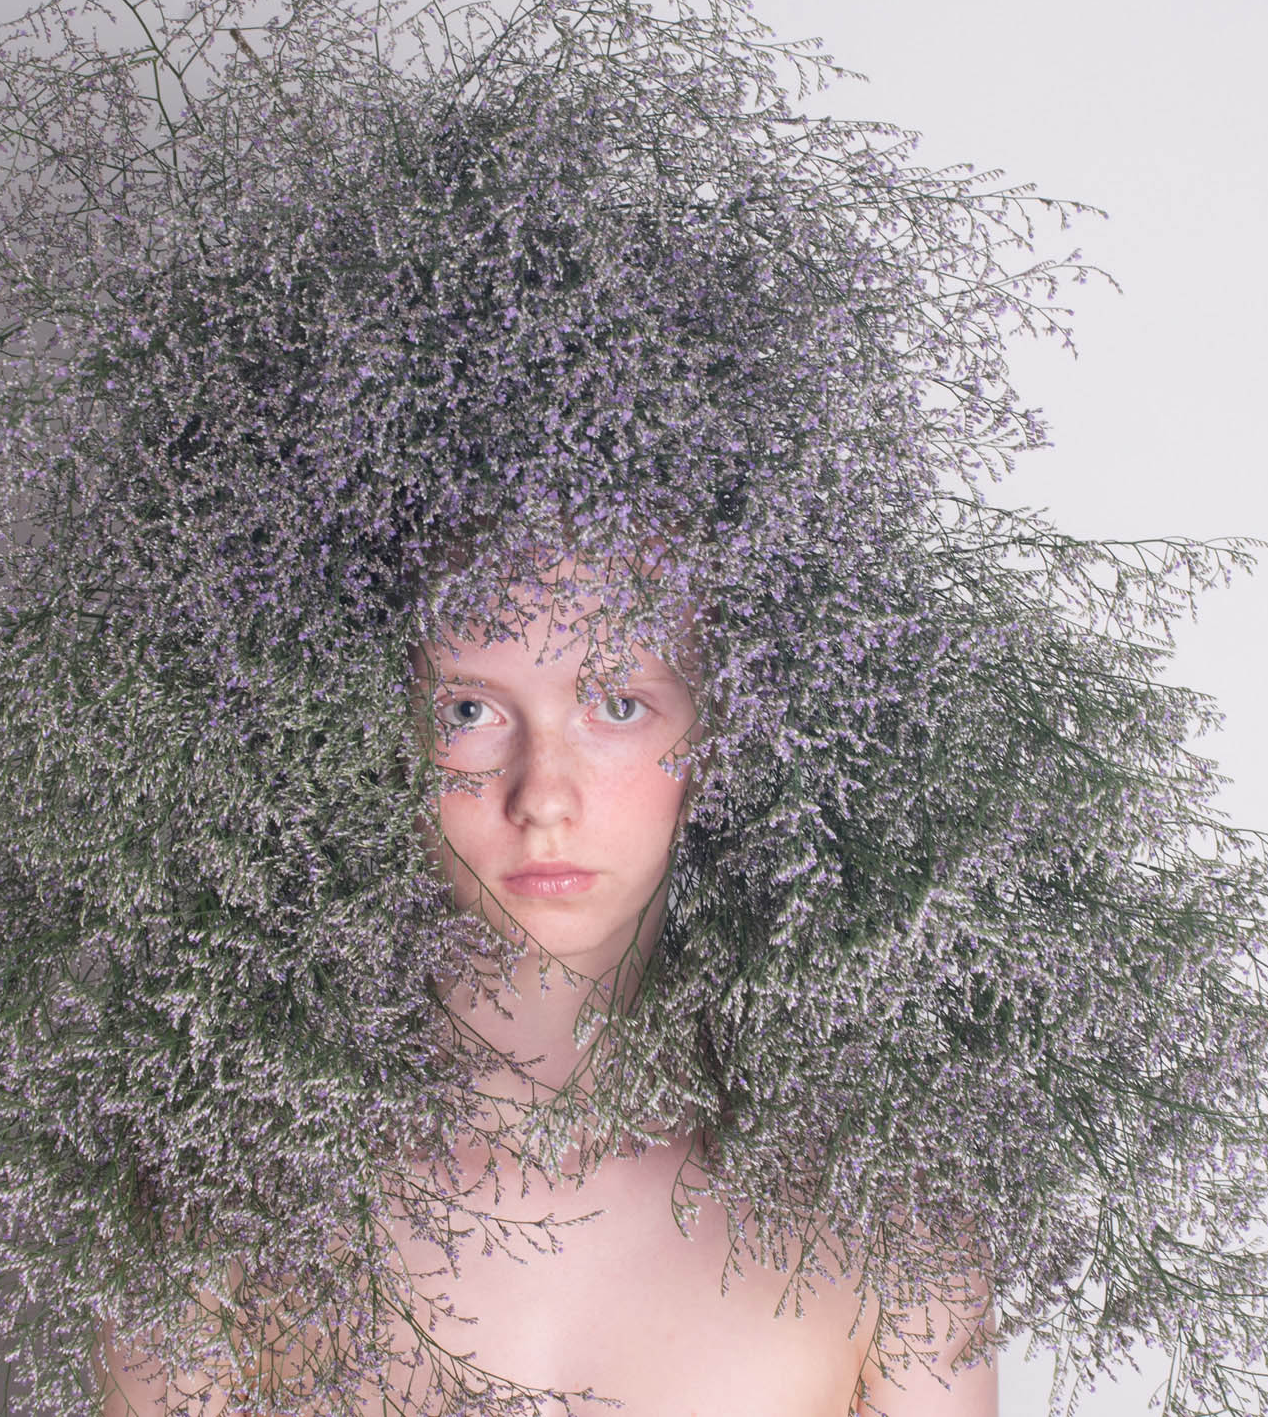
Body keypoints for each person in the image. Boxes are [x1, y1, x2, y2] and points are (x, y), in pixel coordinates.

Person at [99, 544, 996, 1416]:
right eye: (466, 711)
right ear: (372, 739)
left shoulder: (883, 1202)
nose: (543, 797)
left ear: (723, 737)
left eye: (616, 705)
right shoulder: (224, 1196)